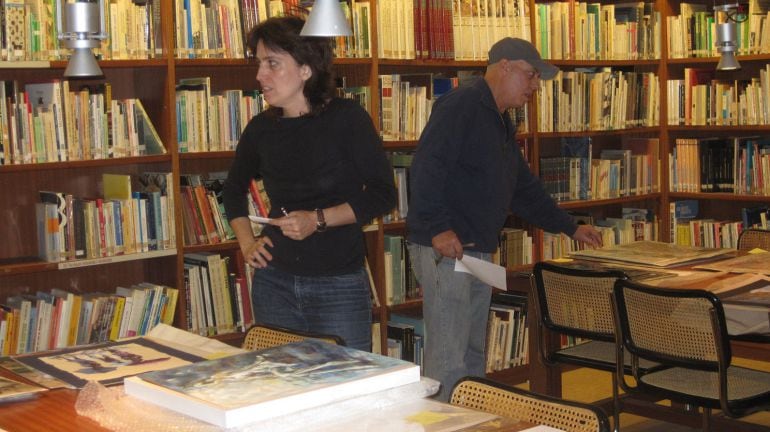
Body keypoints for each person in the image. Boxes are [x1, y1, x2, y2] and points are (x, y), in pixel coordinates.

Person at [406, 37, 604, 401]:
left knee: (471, 354)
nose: (534, 86)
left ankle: (469, 422)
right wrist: (438, 228)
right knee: (449, 356)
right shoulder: (462, 105)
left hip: (474, 251)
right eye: (530, 76)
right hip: (447, 249)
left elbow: (522, 187)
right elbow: (425, 169)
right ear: (505, 67)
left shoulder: (500, 121)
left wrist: (570, 227)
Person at [223, 16, 396, 352]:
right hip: (274, 281)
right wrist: (246, 244)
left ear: (306, 69)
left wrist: (316, 219)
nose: (260, 75)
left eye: (272, 63)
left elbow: (382, 194)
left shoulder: (347, 119)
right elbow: (232, 189)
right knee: (281, 385)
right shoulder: (260, 128)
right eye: (259, 64)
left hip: (338, 283)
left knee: (347, 385)